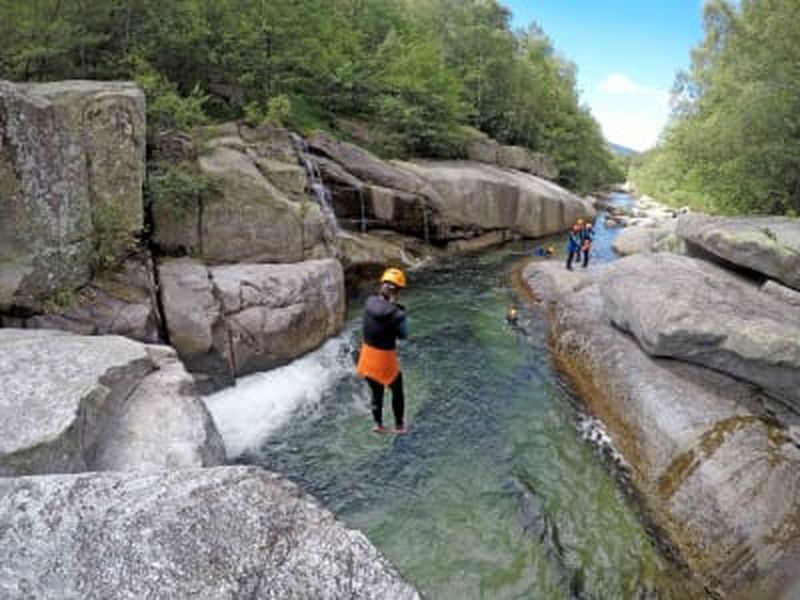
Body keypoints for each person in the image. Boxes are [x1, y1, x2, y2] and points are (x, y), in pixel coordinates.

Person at [356, 267, 409, 434]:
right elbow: (403, 336)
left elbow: (379, 310)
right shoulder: (398, 315)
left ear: (382, 286)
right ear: (398, 290)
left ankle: (378, 424)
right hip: (384, 360)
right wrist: (399, 313)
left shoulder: (368, 302)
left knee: (376, 391)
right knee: (397, 390)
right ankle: (399, 426)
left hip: (366, 358)